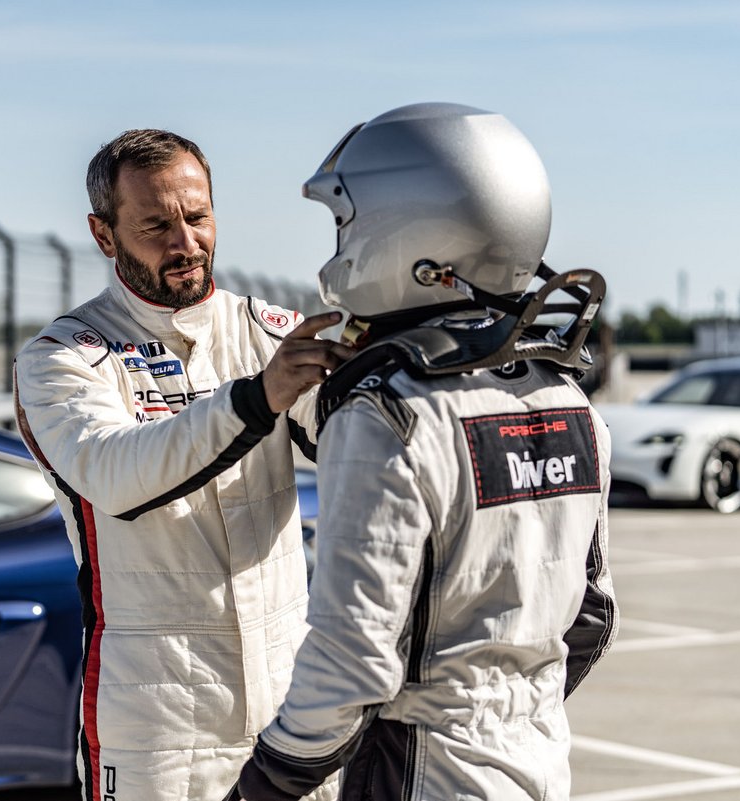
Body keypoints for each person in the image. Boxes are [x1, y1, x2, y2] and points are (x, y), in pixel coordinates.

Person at [229, 103, 619, 801]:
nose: (340, 242)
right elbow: (591, 616)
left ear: (409, 232)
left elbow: (349, 663)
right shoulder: (571, 400)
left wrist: (261, 784)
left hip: (423, 775)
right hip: (541, 767)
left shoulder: (387, 410)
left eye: (345, 220)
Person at [13, 128, 350, 801]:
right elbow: (116, 475)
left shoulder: (269, 331)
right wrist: (257, 398)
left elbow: (351, 440)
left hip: (290, 705)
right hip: (158, 726)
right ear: (104, 235)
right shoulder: (61, 357)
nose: (185, 242)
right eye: (156, 225)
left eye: (196, 217)